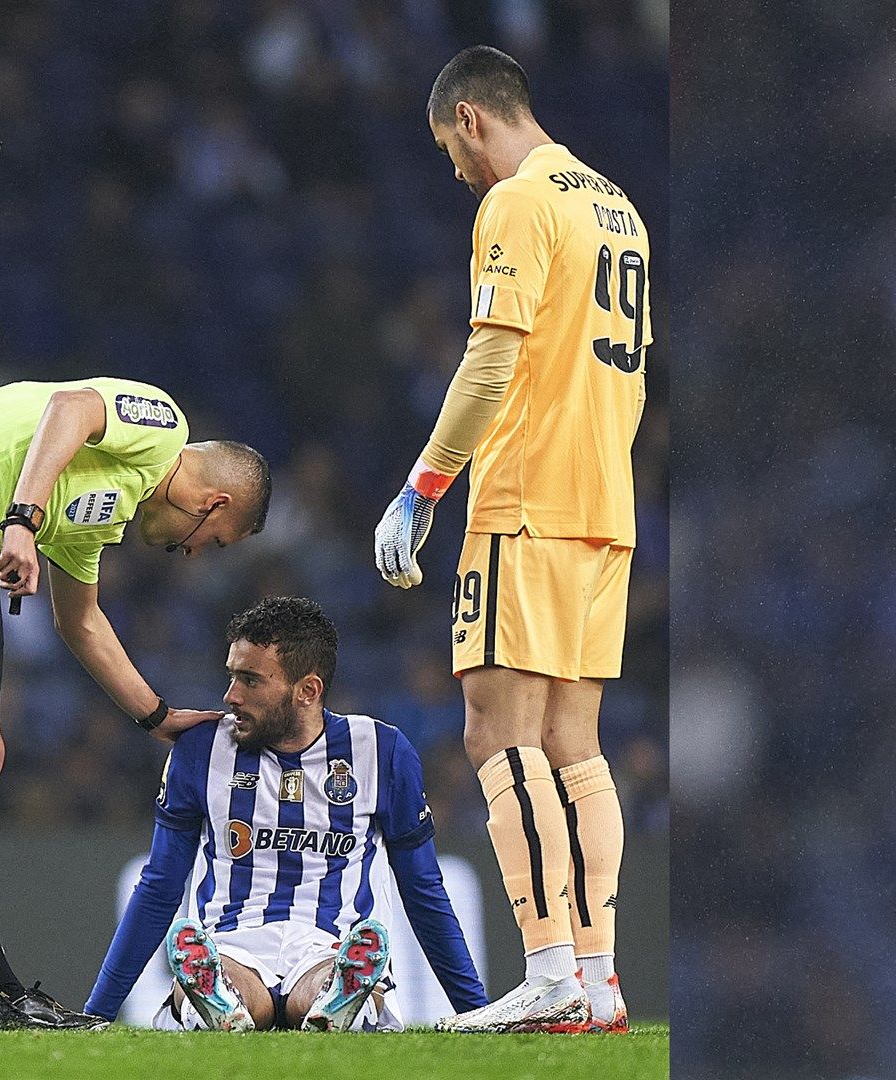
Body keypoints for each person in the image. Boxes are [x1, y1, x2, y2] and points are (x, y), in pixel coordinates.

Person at [0, 376, 271, 1028]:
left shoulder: (103, 508)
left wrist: (156, 716)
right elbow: (70, 407)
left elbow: (82, 622)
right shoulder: (164, 426)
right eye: (210, 541)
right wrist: (20, 519)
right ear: (214, 503)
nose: (190, 553)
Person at [373, 44, 647, 1034]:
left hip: (526, 495)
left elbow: (495, 354)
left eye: (453, 148)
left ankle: (547, 973)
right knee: (578, 744)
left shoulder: (520, 202)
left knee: (498, 732)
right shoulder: (618, 207)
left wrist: (424, 484)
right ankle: (599, 976)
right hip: (604, 503)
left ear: (473, 119)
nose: (458, 172)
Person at [81, 596, 489, 1031]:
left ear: (307, 691)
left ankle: (336, 995)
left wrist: (475, 1009)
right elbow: (160, 886)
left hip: (332, 943)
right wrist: (97, 1014)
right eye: (232, 676)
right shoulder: (201, 749)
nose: (230, 696)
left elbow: (423, 889)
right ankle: (219, 997)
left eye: (250, 681)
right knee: (220, 984)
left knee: (325, 985)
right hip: (231, 943)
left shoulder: (380, 751)